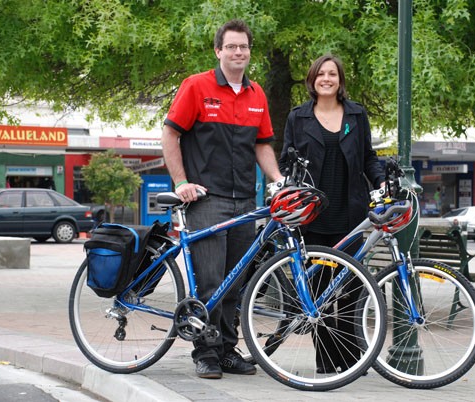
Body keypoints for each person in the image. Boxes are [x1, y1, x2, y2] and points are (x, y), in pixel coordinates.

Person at [161, 19, 284, 380]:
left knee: (235, 282)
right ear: (218, 51)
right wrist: (181, 181)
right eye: (231, 46)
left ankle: (227, 350)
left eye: (243, 47)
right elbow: (170, 135)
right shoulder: (196, 87)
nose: (238, 52)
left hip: (246, 200)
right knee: (211, 280)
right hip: (207, 199)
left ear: (249, 51)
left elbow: (262, 144)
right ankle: (206, 353)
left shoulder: (256, 94)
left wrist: (277, 180)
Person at [279, 54, 385, 373]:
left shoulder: (356, 114)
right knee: (319, 294)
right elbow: (286, 161)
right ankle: (327, 362)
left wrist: (381, 182)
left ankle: (353, 361)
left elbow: (368, 157)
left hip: (350, 216)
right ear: (312, 80)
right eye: (321, 74)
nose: (327, 78)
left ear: (340, 80)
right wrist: (293, 187)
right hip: (313, 219)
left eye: (333, 74)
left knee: (351, 290)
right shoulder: (298, 117)